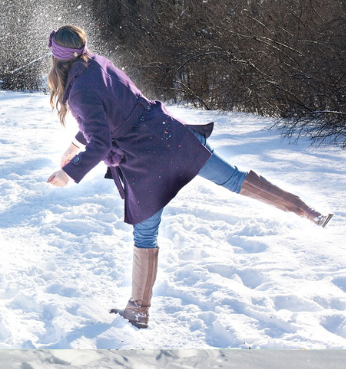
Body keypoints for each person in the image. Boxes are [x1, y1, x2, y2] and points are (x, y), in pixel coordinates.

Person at [43, 25, 334, 330]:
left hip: (145, 160)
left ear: (56, 59)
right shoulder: (100, 64)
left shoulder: (78, 92)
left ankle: (139, 310)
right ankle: (307, 212)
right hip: (172, 135)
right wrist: (74, 145)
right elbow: (110, 113)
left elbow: (101, 140)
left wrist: (69, 172)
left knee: (145, 235)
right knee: (235, 179)